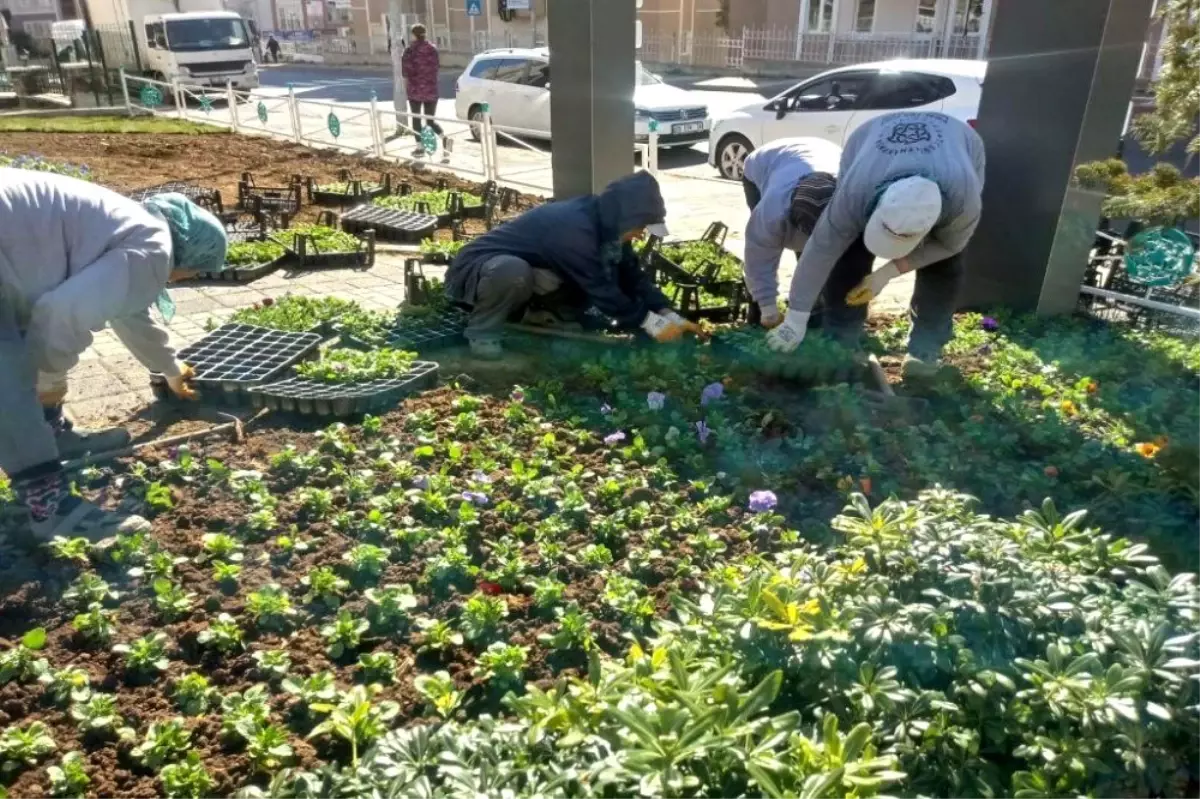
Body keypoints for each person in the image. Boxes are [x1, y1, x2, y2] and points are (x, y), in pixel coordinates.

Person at [0, 168, 228, 542]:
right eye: (195, 272)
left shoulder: (130, 225)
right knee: (8, 379)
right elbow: (61, 316)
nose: (186, 279)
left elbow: (129, 311)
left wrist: (170, 368)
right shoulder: (154, 248)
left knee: (19, 366)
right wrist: (48, 383)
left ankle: (52, 437)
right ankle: (50, 507)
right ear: (192, 252)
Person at [765, 111, 986, 377]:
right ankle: (842, 341)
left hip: (957, 143)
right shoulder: (854, 195)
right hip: (869, 140)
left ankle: (924, 351)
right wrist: (795, 319)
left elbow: (949, 246)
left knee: (943, 267)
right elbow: (820, 250)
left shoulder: (963, 203)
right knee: (847, 255)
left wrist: (888, 272)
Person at [445, 170, 700, 358]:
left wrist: (669, 315)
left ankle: (533, 316)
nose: (642, 233)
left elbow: (632, 276)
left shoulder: (609, 227)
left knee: (563, 276)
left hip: (532, 271)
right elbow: (603, 291)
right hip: (477, 272)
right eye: (641, 226)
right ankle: (482, 333)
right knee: (512, 272)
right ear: (626, 218)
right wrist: (652, 324)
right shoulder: (574, 231)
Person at [741, 137, 873, 340]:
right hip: (765, 162)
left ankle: (816, 311)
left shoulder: (852, 200)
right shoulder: (770, 214)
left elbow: (848, 261)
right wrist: (769, 310)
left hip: (825, 150)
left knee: (829, 257)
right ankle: (759, 313)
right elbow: (758, 259)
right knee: (779, 259)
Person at [401, 24, 443, 157]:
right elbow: (436, 67)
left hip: (415, 90)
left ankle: (420, 148)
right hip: (431, 89)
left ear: (413, 35)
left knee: (417, 118)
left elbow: (406, 72)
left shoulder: (410, 50)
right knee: (430, 120)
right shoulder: (433, 49)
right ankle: (445, 138)